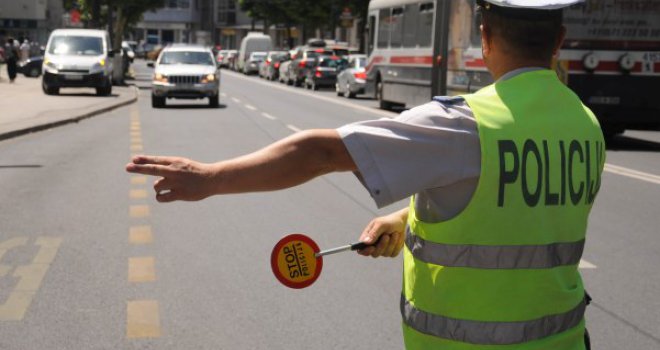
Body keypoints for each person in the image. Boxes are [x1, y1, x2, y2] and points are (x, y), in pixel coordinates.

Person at [126, 0, 604, 349]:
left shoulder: (465, 126)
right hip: (564, 339)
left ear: (484, 37)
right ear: (560, 42)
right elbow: (516, 210)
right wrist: (407, 219)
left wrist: (210, 177)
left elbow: (319, 152)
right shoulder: (585, 124)